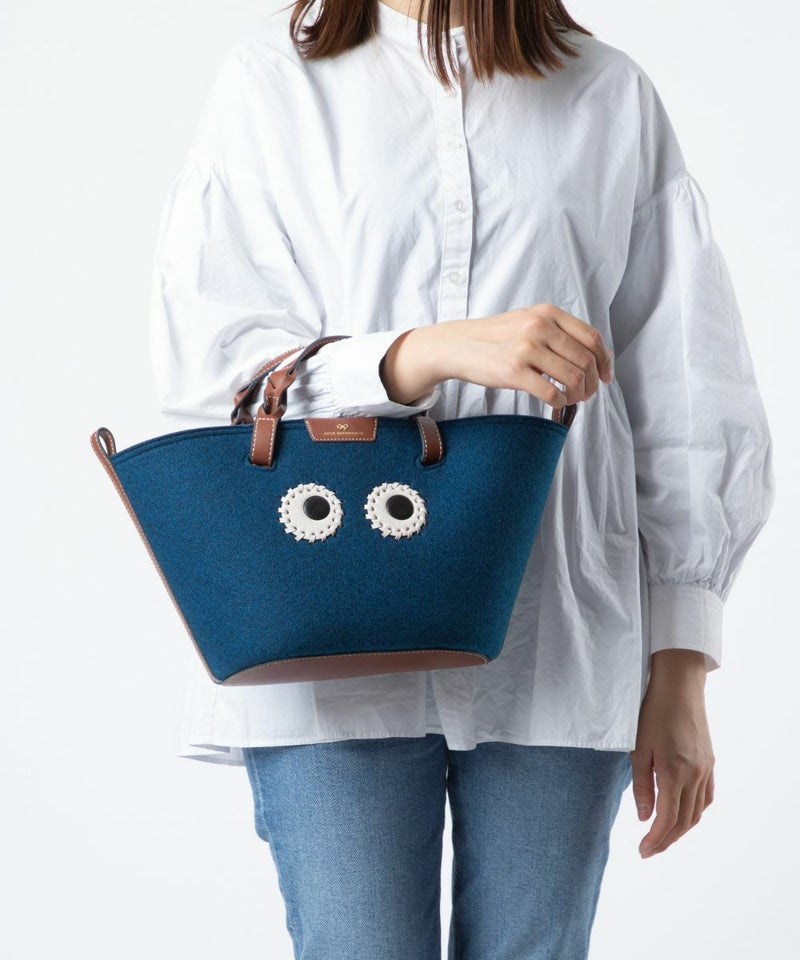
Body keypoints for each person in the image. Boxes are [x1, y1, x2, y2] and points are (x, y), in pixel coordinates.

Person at [149, 0, 775, 956]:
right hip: (325, 636)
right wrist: (419, 355)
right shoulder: (271, 82)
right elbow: (213, 365)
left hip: (556, 633)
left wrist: (682, 666)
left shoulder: (607, 93)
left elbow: (690, 386)